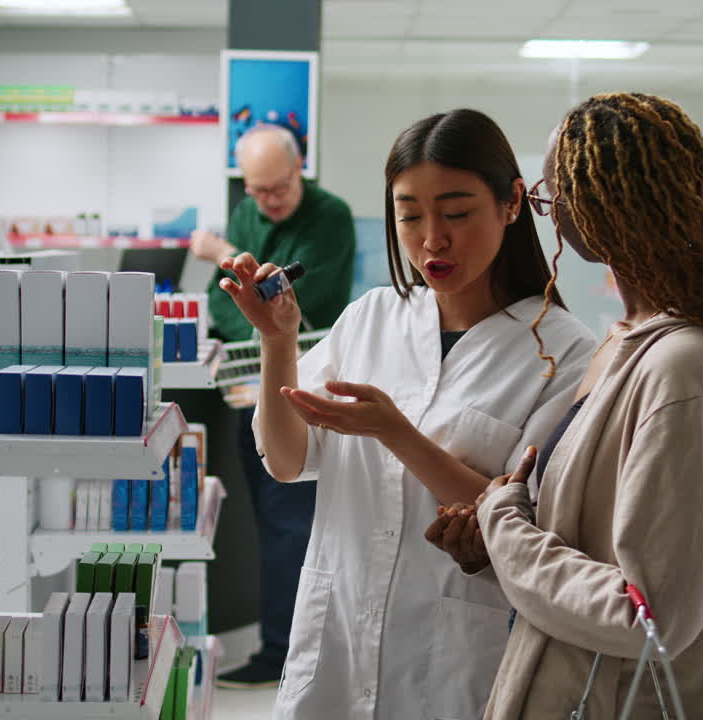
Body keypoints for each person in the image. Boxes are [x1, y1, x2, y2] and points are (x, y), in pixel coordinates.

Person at [426, 92, 703, 719]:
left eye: (554, 193)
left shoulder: (683, 370)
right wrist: (492, 553)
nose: (544, 212)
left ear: (607, 202)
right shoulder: (623, 343)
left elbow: (647, 614)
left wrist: (505, 525)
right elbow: (585, 548)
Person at [217, 109, 595, 718]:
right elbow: (286, 463)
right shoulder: (372, 317)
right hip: (335, 645)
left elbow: (527, 524)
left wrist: (394, 432)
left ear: (512, 203)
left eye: (456, 212)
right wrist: (277, 342)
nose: (431, 239)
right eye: (409, 215)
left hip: (452, 663)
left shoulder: (565, 353)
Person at [190, 124, 357, 688]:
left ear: (299, 167)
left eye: (279, 187)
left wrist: (221, 256)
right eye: (258, 192)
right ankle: (279, 648)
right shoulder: (246, 213)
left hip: (307, 387)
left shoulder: (329, 216)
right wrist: (254, 305)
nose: (269, 201)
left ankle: (288, 653)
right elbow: (235, 307)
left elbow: (298, 302)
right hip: (248, 387)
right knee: (271, 521)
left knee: (293, 523)